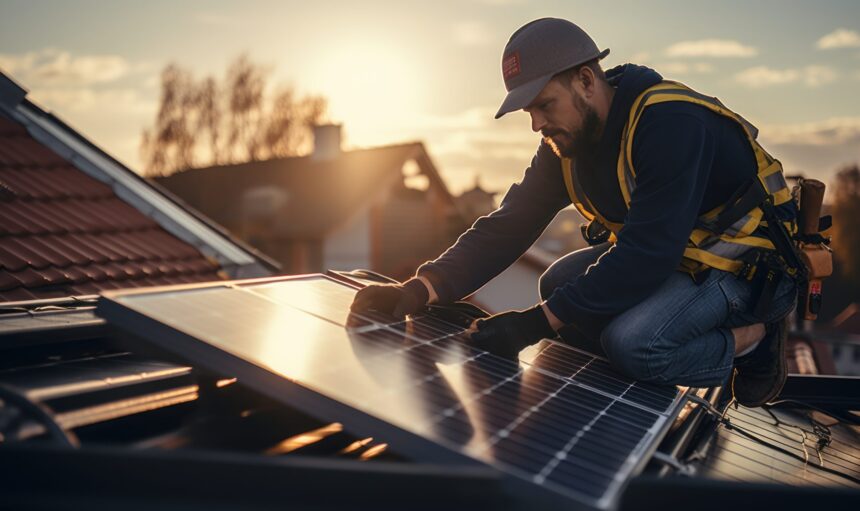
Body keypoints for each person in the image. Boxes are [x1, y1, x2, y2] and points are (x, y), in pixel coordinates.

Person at [350, 18, 799, 407]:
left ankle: (752, 341)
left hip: (750, 272)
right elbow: (509, 224)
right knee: (557, 284)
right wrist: (421, 288)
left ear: (586, 80)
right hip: (683, 257)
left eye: (545, 105)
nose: (537, 124)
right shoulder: (567, 142)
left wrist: (534, 324)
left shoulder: (671, 124)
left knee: (633, 344)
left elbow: (649, 254)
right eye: (529, 111)